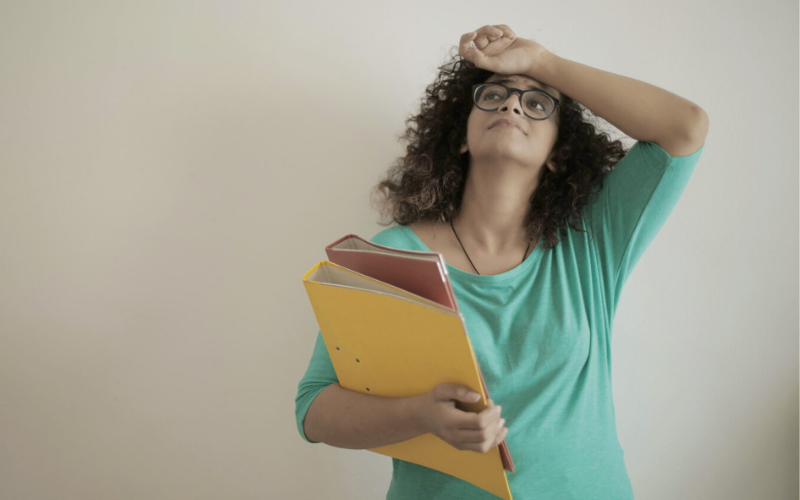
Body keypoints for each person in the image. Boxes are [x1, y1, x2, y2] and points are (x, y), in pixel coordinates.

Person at [295, 24, 708, 499]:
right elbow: (314, 409)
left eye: (536, 103)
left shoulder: (592, 239)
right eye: (493, 96)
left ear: (557, 153)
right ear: (462, 137)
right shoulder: (392, 254)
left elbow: (685, 127)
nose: (512, 105)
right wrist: (420, 416)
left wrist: (539, 63)